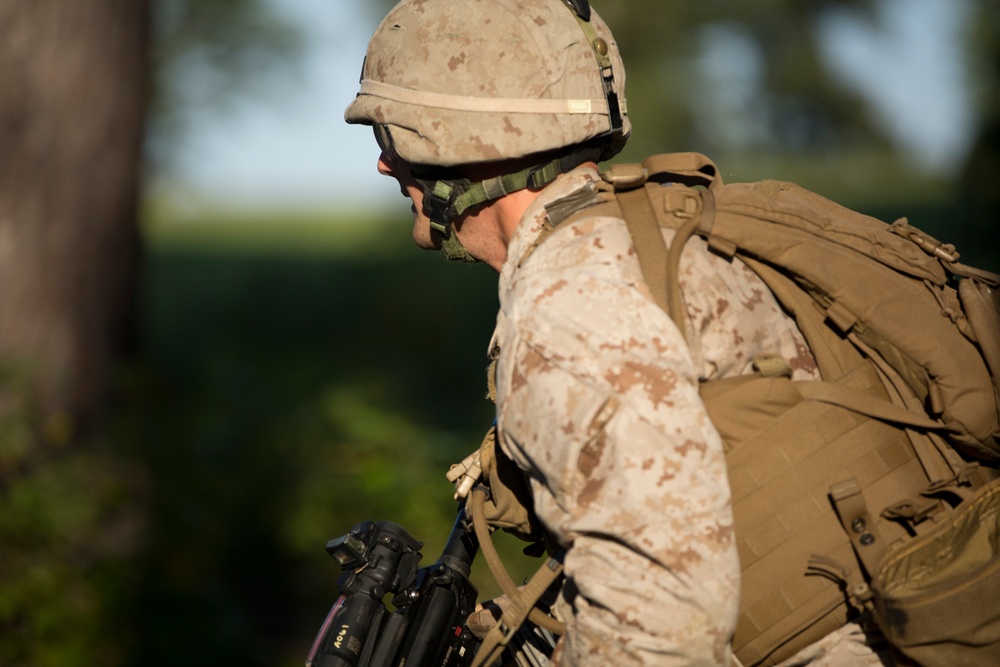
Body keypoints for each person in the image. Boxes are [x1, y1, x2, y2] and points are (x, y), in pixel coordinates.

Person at [345, 1, 897, 664]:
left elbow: (661, 630)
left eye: (392, 136)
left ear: (452, 140)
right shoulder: (650, 236)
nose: (384, 165)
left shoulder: (569, 307)